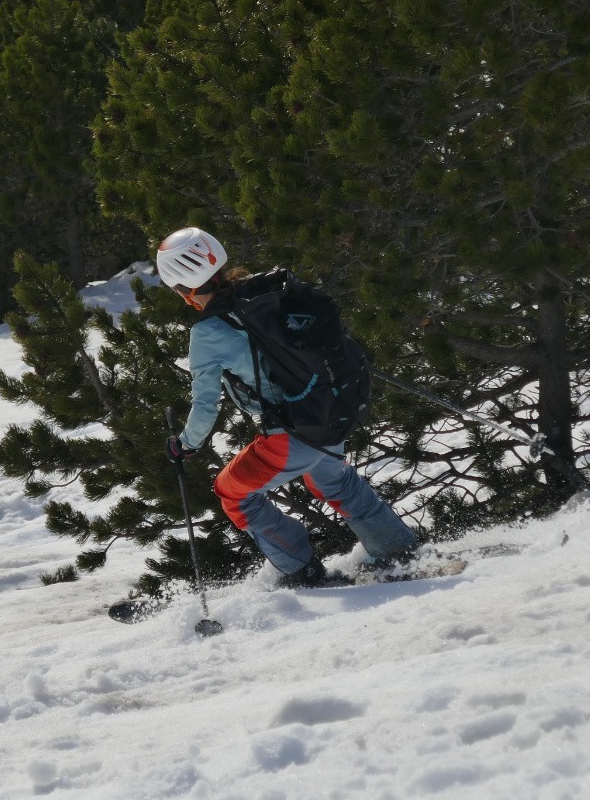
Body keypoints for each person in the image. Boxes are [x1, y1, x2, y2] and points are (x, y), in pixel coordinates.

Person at [156, 226, 420, 586]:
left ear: (183, 290)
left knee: (231, 492)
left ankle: (301, 570)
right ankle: (398, 551)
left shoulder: (207, 332)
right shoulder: (262, 293)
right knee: (335, 480)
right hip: (329, 413)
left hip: (292, 432)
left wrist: (184, 445)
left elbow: (205, 406)